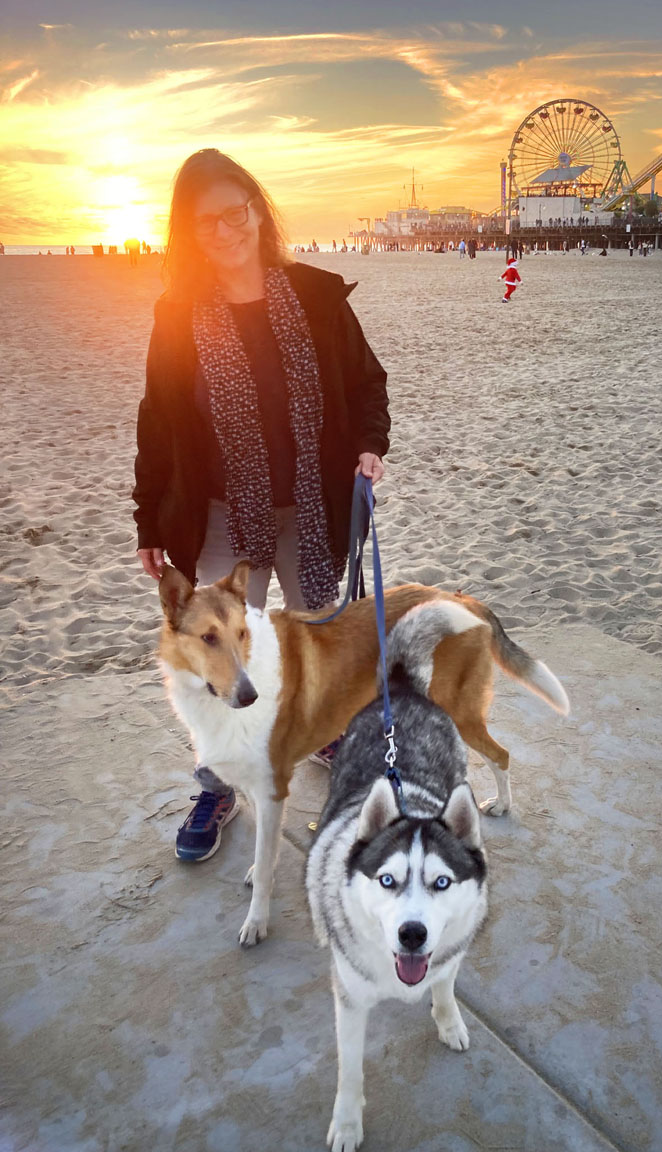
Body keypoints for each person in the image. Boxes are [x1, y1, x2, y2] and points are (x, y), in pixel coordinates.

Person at [132, 148, 390, 862]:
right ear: (189, 233)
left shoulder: (314, 295)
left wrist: (370, 447)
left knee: (312, 640)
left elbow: (368, 384)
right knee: (211, 650)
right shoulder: (179, 313)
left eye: (234, 211)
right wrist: (149, 518)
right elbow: (157, 420)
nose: (224, 229)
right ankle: (216, 784)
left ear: (256, 208)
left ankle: (320, 738)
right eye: (204, 221)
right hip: (219, 516)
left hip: (309, 509)